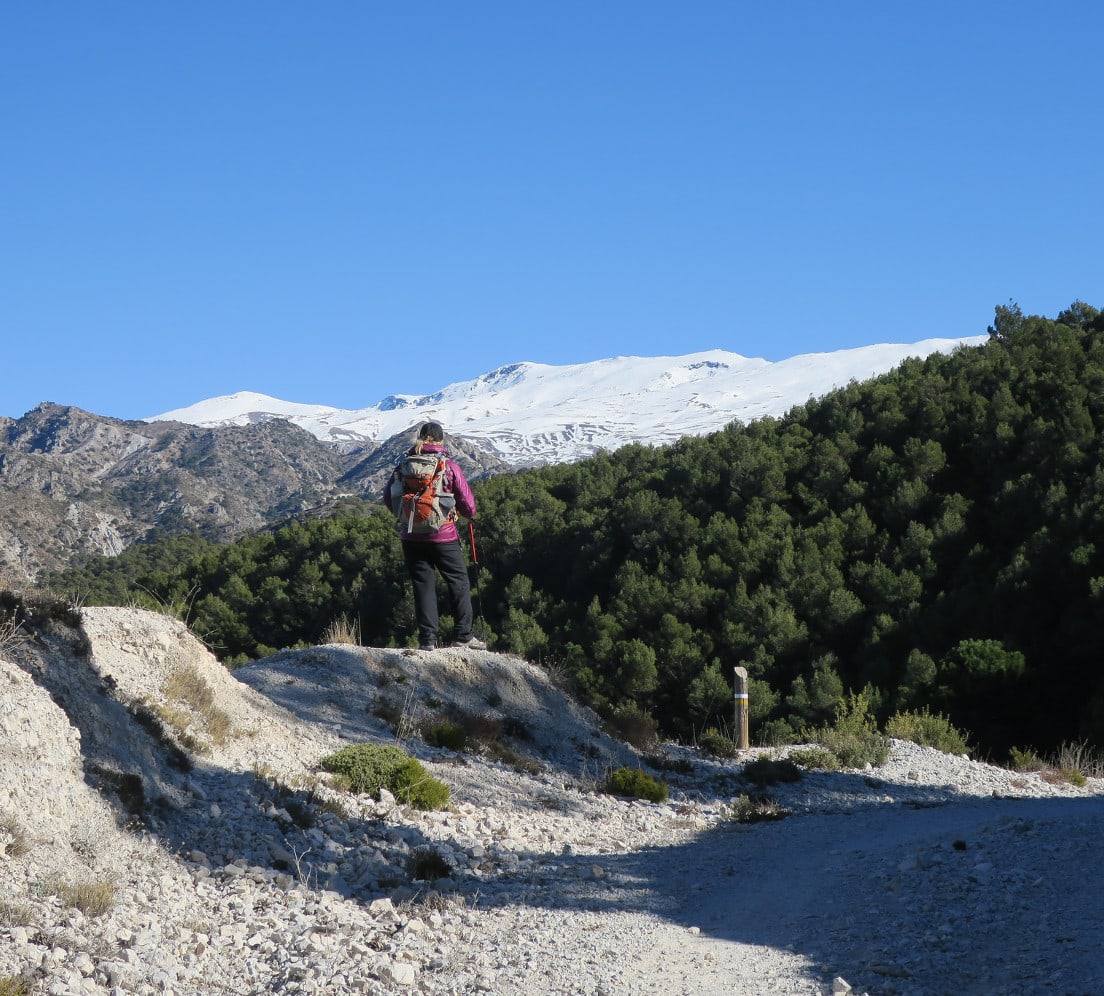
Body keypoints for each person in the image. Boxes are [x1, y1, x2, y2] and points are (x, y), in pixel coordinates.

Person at [384, 422, 485, 651]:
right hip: (443, 536)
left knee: (423, 586)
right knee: (458, 582)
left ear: (420, 438)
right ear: (441, 441)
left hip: (411, 536)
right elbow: (468, 504)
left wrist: (407, 516)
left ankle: (427, 640)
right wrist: (466, 514)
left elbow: (389, 498)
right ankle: (463, 636)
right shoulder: (448, 466)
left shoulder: (404, 465)